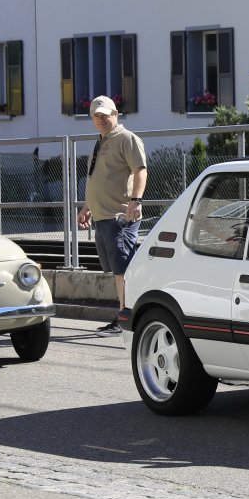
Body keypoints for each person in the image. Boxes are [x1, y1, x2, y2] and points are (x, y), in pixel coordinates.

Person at [77, 95, 147, 335]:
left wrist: (135, 201)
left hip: (119, 217)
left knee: (122, 271)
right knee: (117, 272)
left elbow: (140, 170)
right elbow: (98, 179)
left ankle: (125, 319)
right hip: (102, 217)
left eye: (105, 115)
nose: (100, 119)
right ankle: (122, 314)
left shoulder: (126, 138)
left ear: (115, 115)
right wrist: (87, 208)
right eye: (96, 116)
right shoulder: (101, 141)